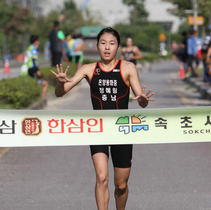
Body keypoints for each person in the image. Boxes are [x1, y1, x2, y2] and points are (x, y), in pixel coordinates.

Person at [51, 27, 155, 210]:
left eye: (112, 43)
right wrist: (60, 83)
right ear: (97, 46)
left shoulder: (128, 68)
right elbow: (61, 93)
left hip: (123, 130)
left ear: (119, 47)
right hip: (98, 129)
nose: (107, 47)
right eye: (103, 43)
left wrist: (143, 100)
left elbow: (142, 102)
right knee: (101, 177)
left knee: (120, 186)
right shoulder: (88, 69)